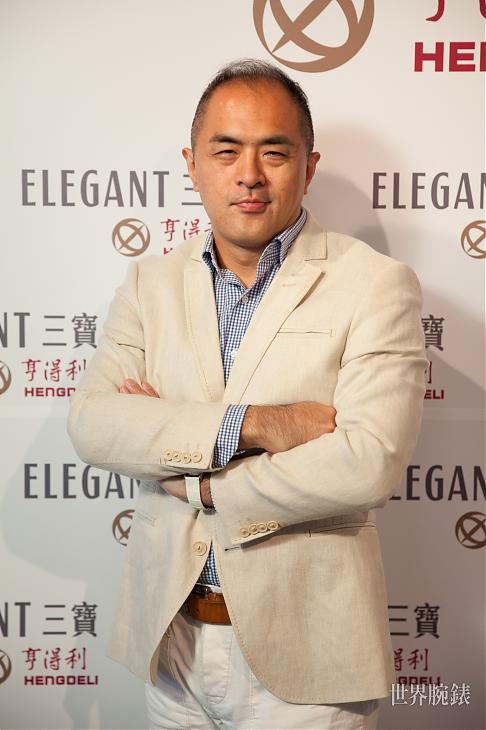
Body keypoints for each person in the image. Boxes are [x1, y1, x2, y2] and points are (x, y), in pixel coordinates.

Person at [67, 59, 427, 729]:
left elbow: (366, 463)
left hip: (309, 661)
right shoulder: (149, 285)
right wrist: (259, 425)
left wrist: (198, 482)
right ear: (192, 164)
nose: (250, 174)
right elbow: (94, 424)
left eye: (275, 152)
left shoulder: (374, 284)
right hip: (173, 645)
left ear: (308, 167)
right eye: (226, 151)